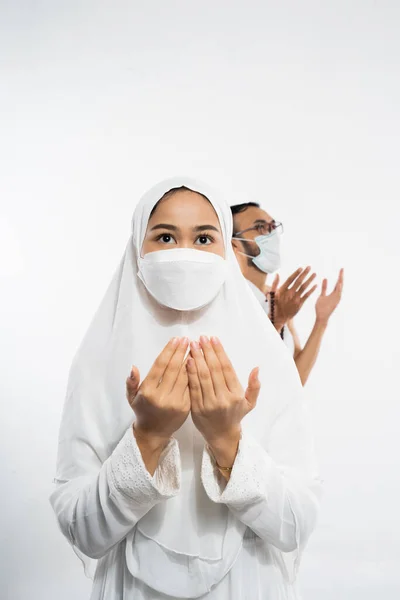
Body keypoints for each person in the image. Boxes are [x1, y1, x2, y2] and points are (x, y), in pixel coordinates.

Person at [50, 179, 321, 600]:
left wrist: (228, 440)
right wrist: (147, 437)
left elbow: (296, 523)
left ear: (225, 252)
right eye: (164, 236)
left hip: (249, 585)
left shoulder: (268, 359)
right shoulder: (98, 361)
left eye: (203, 237)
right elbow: (82, 530)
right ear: (137, 250)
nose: (184, 253)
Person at [231, 202, 343, 385]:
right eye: (260, 227)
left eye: (272, 226)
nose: (272, 234)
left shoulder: (277, 298)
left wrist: (321, 321)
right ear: (234, 245)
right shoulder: (228, 298)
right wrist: (277, 320)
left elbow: (296, 379)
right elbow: (241, 376)